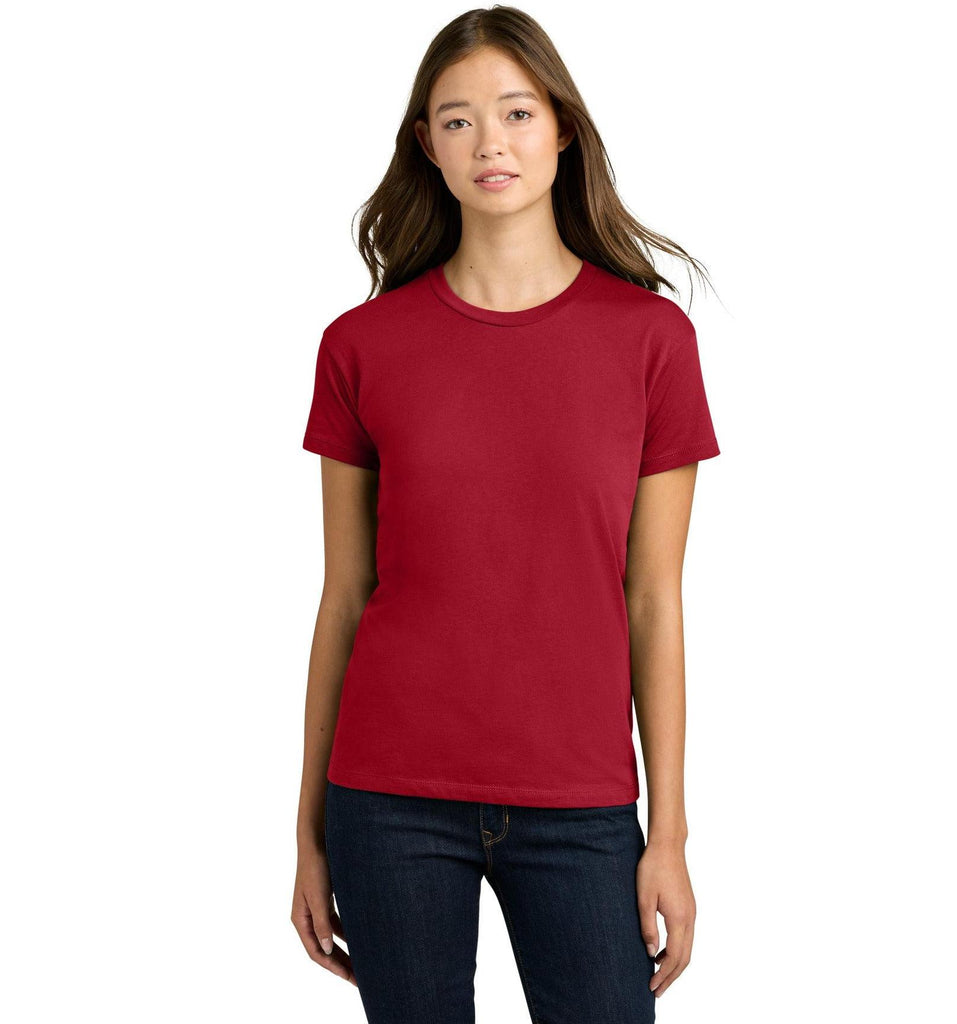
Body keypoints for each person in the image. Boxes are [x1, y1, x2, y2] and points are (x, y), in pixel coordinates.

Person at [291, 7, 722, 1022]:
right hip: (388, 799)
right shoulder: (360, 346)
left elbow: (653, 600)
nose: (490, 141)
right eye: (458, 120)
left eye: (517, 112)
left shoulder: (651, 340)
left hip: (580, 802)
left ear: (562, 128)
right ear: (427, 146)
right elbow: (344, 597)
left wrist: (668, 833)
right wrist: (306, 831)